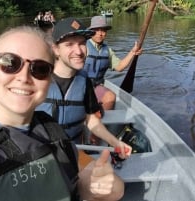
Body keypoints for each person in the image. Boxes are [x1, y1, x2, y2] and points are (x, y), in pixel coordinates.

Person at [0, 25, 124, 201]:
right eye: (9, 62)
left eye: (40, 69)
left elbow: (107, 188)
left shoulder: (50, 129)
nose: (24, 77)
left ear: (49, 80)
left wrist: (95, 185)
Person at [35, 17, 132, 159]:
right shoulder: (37, 78)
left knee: (112, 181)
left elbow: (92, 120)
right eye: (69, 45)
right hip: (41, 155)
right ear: (56, 50)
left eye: (82, 44)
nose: (79, 51)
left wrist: (115, 142)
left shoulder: (84, 81)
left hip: (73, 152)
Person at [84, 15, 143, 110]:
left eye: (103, 30)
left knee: (110, 97)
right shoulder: (83, 46)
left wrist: (133, 52)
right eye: (97, 30)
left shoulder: (107, 50)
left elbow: (120, 67)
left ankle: (102, 122)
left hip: (96, 86)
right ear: (91, 32)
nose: (100, 33)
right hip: (81, 86)